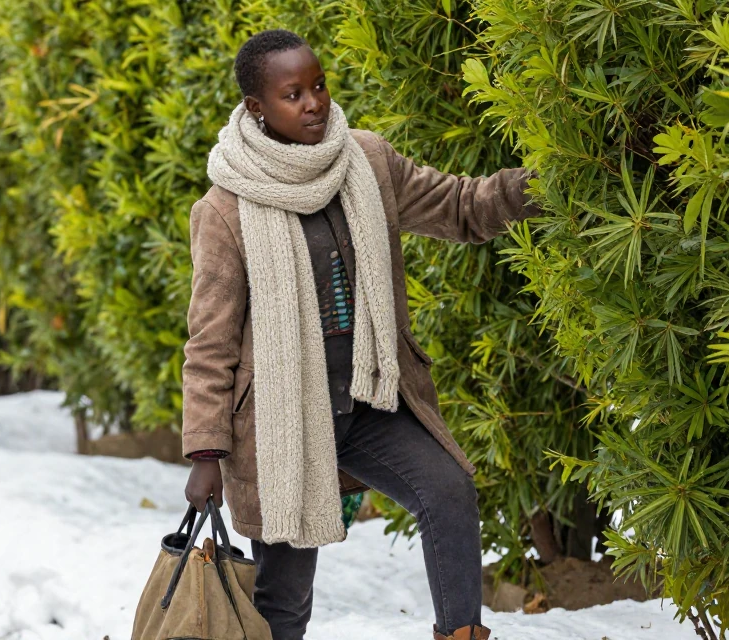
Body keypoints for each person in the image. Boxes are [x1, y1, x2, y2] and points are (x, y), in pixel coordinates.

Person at [180, 28, 538, 640]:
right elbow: (210, 343)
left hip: (369, 397)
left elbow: (460, 206)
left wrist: (542, 184)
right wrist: (206, 452)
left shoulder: (366, 160)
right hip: (282, 425)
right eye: (293, 94)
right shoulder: (225, 210)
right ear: (256, 109)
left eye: (318, 85)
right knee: (284, 603)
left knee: (448, 492)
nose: (315, 102)